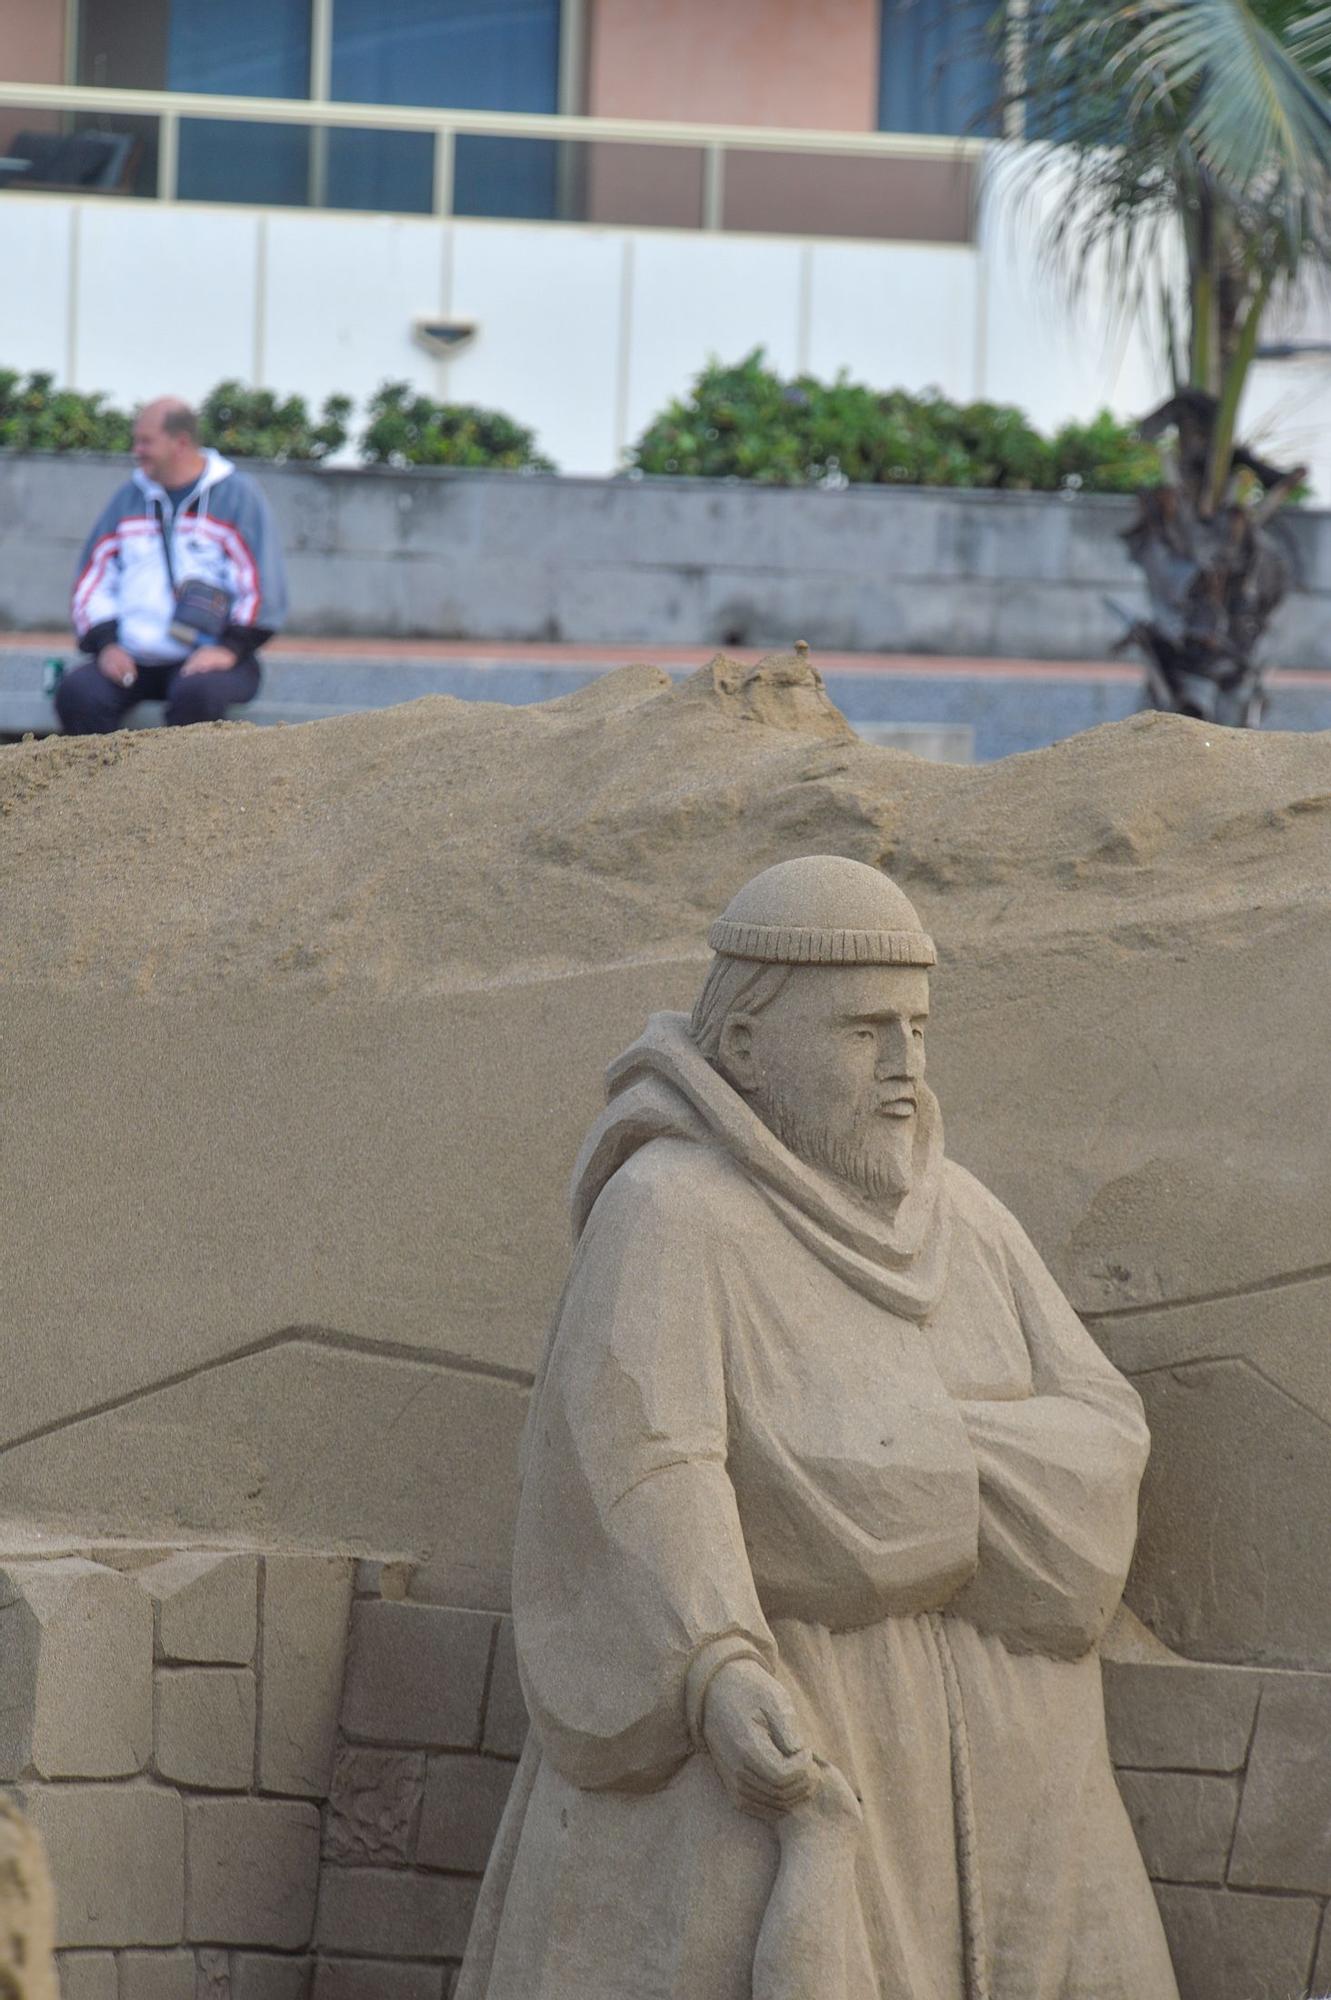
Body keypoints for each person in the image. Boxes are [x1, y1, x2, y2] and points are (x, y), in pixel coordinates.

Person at [457, 855, 1180, 2000]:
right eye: (861, 1032)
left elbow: (1102, 1451)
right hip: (783, 1745)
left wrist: (868, 1479)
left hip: (1011, 1785)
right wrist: (715, 1668)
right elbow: (640, 1472)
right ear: (744, 1044)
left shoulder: (969, 1220)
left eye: (915, 1028)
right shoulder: (671, 1214)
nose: (903, 1066)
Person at [58, 396, 287, 733]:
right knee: (78, 693)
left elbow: (261, 584)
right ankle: (104, 786)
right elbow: (94, 579)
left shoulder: (238, 496)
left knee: (197, 695)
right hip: (134, 658)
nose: (137, 450)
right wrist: (107, 645)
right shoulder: (128, 498)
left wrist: (229, 649)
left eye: (146, 441)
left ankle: (185, 788)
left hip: (214, 656)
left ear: (180, 443)